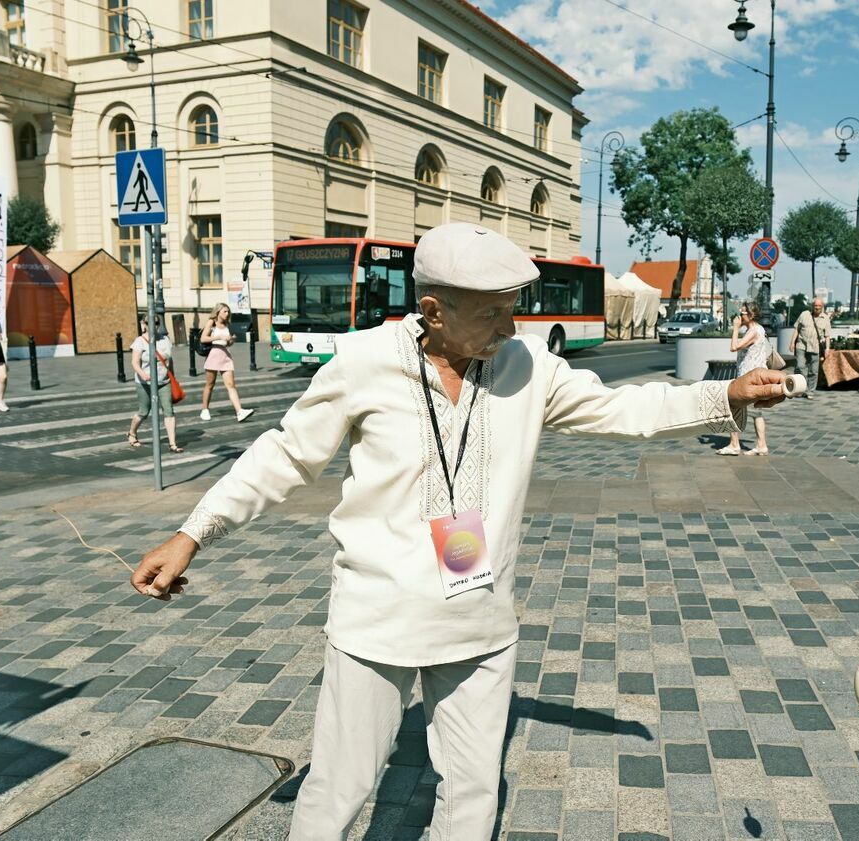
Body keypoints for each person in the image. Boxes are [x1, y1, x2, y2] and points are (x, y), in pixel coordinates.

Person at [128, 223, 786, 841]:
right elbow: (284, 454)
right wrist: (193, 532)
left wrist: (722, 397)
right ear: (434, 309)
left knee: (473, 792)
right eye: (494, 310)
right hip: (376, 620)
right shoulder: (363, 362)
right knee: (340, 788)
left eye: (514, 306)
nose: (511, 324)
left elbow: (622, 408)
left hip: (479, 620)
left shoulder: (527, 367)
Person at [718, 301, 773, 457]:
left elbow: (734, 347)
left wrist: (735, 328)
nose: (739, 316)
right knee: (757, 412)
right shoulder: (759, 329)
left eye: (742, 313)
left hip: (748, 376)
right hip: (758, 375)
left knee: (733, 406)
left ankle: (734, 445)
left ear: (751, 315)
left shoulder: (753, 331)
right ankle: (762, 445)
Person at [127, 314, 183, 452]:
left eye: (157, 323)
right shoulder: (139, 341)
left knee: (169, 411)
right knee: (144, 412)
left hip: (164, 381)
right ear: (144, 324)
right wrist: (143, 375)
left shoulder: (165, 340)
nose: (154, 326)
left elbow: (170, 361)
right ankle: (132, 433)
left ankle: (172, 443)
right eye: (150, 323)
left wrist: (173, 376)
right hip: (145, 383)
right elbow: (134, 362)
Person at [199, 303, 255, 423]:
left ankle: (239, 411)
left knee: (231, 385)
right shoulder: (211, 322)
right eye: (224, 311)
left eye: (228, 312)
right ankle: (204, 410)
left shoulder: (228, 325)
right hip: (213, 354)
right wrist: (218, 337)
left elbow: (227, 343)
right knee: (210, 384)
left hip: (225, 355)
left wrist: (231, 340)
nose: (227, 314)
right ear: (218, 312)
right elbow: (203, 338)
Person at [789, 297, 830, 400]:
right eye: (815, 305)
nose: (817, 307)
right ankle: (800, 389)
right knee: (800, 366)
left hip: (815, 347)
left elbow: (827, 336)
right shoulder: (804, 314)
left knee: (814, 370)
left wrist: (827, 349)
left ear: (822, 307)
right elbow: (796, 329)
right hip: (801, 345)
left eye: (819, 306)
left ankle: (810, 391)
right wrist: (792, 342)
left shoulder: (825, 319)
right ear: (812, 306)